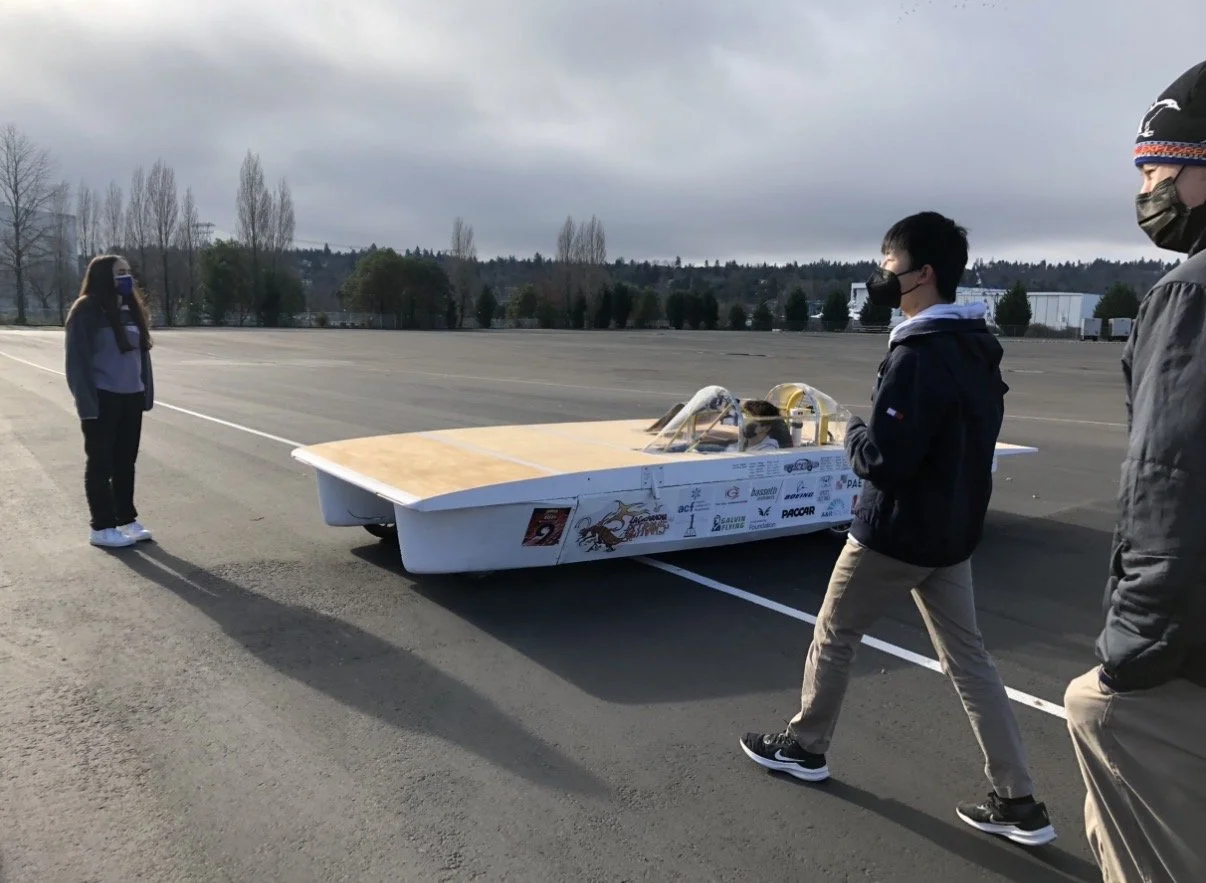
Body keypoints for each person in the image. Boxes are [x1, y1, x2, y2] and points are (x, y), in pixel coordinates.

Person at [740, 211, 1057, 847]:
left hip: (895, 534)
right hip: (953, 534)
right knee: (970, 661)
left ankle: (806, 746)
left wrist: (850, 428)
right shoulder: (977, 348)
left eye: (890, 267)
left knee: (835, 632)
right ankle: (1019, 800)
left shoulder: (917, 356)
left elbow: (884, 461)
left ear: (923, 274)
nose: (881, 278)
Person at [1063, 60, 1206, 883]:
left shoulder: (1189, 296)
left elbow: (1168, 487)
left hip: (1189, 654)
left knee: (1097, 714)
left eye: (1157, 168)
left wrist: (1129, 654)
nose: (1146, 188)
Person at [64, 254, 156, 548]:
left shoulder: (131, 309)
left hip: (131, 397)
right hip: (103, 399)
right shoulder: (86, 310)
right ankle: (101, 527)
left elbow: (142, 358)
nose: (126, 277)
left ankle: (126, 519)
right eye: (119, 272)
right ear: (104, 276)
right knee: (101, 465)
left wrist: (145, 393)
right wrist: (86, 404)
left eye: (127, 271)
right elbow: (77, 362)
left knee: (125, 463)